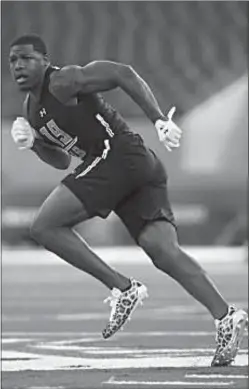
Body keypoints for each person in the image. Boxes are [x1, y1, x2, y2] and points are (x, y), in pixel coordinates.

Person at [9, 34, 247, 367]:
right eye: (13, 60)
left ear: (45, 61)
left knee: (45, 226)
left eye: (26, 58)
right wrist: (33, 142)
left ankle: (123, 287)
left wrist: (158, 118)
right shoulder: (32, 111)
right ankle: (226, 316)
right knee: (161, 249)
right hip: (134, 164)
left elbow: (123, 72)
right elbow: (62, 161)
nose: (18, 65)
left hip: (118, 155)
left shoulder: (64, 80)